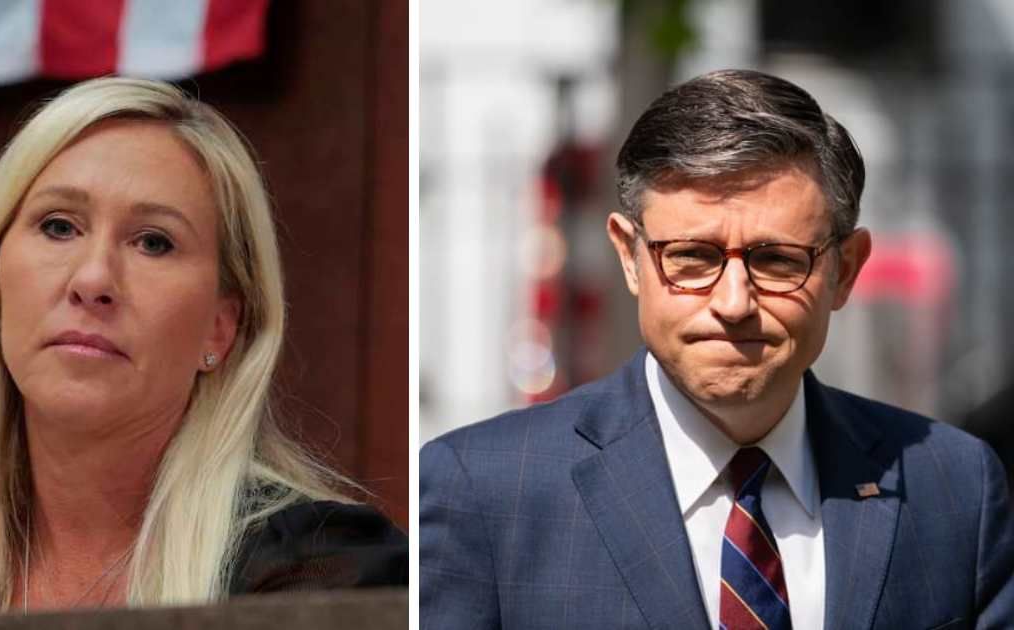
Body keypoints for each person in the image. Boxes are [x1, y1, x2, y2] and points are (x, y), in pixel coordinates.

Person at [420, 69, 1013, 629]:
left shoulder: (954, 487)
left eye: (777, 260)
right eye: (692, 257)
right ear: (630, 258)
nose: (733, 302)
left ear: (846, 269)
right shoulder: (486, 492)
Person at [0, 77, 406, 615]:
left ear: (220, 327)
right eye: (59, 226)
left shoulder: (321, 573)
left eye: (153, 242)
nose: (93, 279)